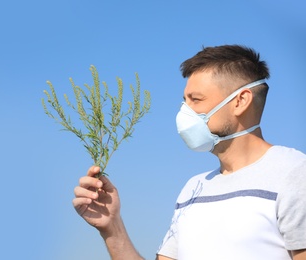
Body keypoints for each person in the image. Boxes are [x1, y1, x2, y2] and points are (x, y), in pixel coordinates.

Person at [72, 45, 306, 260]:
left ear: (240, 101)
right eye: (184, 101)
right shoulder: (193, 188)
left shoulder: (294, 173)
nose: (185, 112)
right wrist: (112, 228)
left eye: (196, 100)